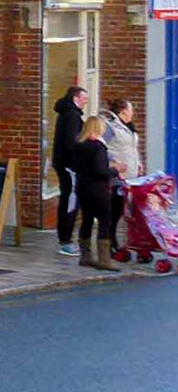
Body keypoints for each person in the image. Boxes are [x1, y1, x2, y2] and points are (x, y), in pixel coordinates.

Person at [71, 115, 123, 269]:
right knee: (105, 221)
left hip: (82, 188)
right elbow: (101, 171)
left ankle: (85, 256)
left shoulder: (79, 145)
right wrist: (115, 170)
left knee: (87, 219)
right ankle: (104, 260)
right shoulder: (98, 147)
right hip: (98, 189)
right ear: (98, 128)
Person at [99, 99, 144, 254]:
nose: (133, 113)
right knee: (114, 211)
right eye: (131, 110)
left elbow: (132, 149)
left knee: (123, 212)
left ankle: (116, 241)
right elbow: (101, 146)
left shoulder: (129, 127)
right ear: (123, 110)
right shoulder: (111, 126)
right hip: (116, 176)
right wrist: (113, 162)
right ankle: (109, 242)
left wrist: (138, 163)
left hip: (130, 176)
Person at [51, 86, 87, 255]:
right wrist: (80, 160)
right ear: (75, 98)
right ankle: (66, 240)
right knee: (70, 201)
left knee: (67, 198)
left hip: (63, 163)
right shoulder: (72, 116)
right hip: (69, 165)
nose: (86, 102)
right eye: (84, 99)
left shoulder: (66, 114)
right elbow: (71, 143)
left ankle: (64, 237)